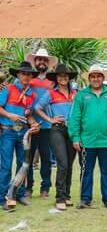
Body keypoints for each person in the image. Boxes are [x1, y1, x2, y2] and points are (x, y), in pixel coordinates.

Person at [67, 64, 107, 210]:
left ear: (103, 78)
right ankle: (84, 199)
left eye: (98, 76)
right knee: (86, 170)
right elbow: (75, 117)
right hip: (86, 141)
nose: (95, 79)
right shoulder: (82, 95)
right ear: (89, 78)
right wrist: (75, 137)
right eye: (93, 76)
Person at [0, 61, 42, 212]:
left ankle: (20, 194)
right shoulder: (8, 89)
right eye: (23, 73)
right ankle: (3, 197)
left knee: (23, 164)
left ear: (31, 76)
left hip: (23, 132)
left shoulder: (32, 94)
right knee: (5, 165)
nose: (26, 76)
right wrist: (9, 115)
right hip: (8, 131)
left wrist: (34, 124)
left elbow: (29, 115)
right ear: (18, 75)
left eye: (28, 74)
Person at [43, 63, 77, 211]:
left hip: (73, 131)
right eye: (60, 75)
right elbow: (37, 107)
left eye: (65, 75)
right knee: (62, 163)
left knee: (69, 164)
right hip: (57, 130)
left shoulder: (76, 93)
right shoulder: (50, 93)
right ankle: (60, 198)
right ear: (56, 78)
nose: (63, 78)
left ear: (68, 77)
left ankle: (67, 196)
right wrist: (50, 119)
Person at [25, 46, 56, 199]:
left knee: (46, 158)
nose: (42, 62)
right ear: (35, 62)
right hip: (30, 124)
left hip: (47, 125)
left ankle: (45, 188)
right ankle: (28, 187)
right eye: (39, 59)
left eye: (44, 60)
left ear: (48, 63)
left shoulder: (53, 81)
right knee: (28, 158)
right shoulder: (28, 78)